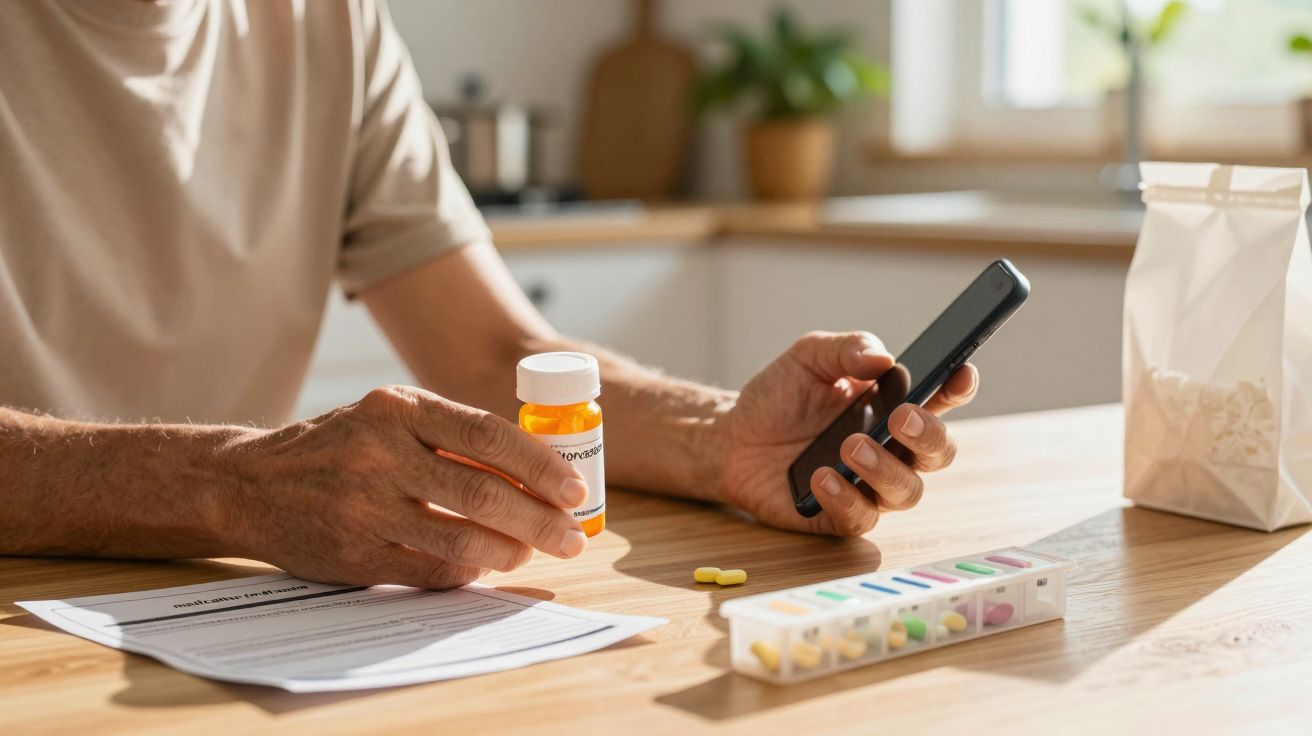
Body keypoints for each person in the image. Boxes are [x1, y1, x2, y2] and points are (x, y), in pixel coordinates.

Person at [0, 0, 977, 589]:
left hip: (216, 623)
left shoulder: (324, 21)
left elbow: (485, 348)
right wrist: (230, 486)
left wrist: (717, 438)